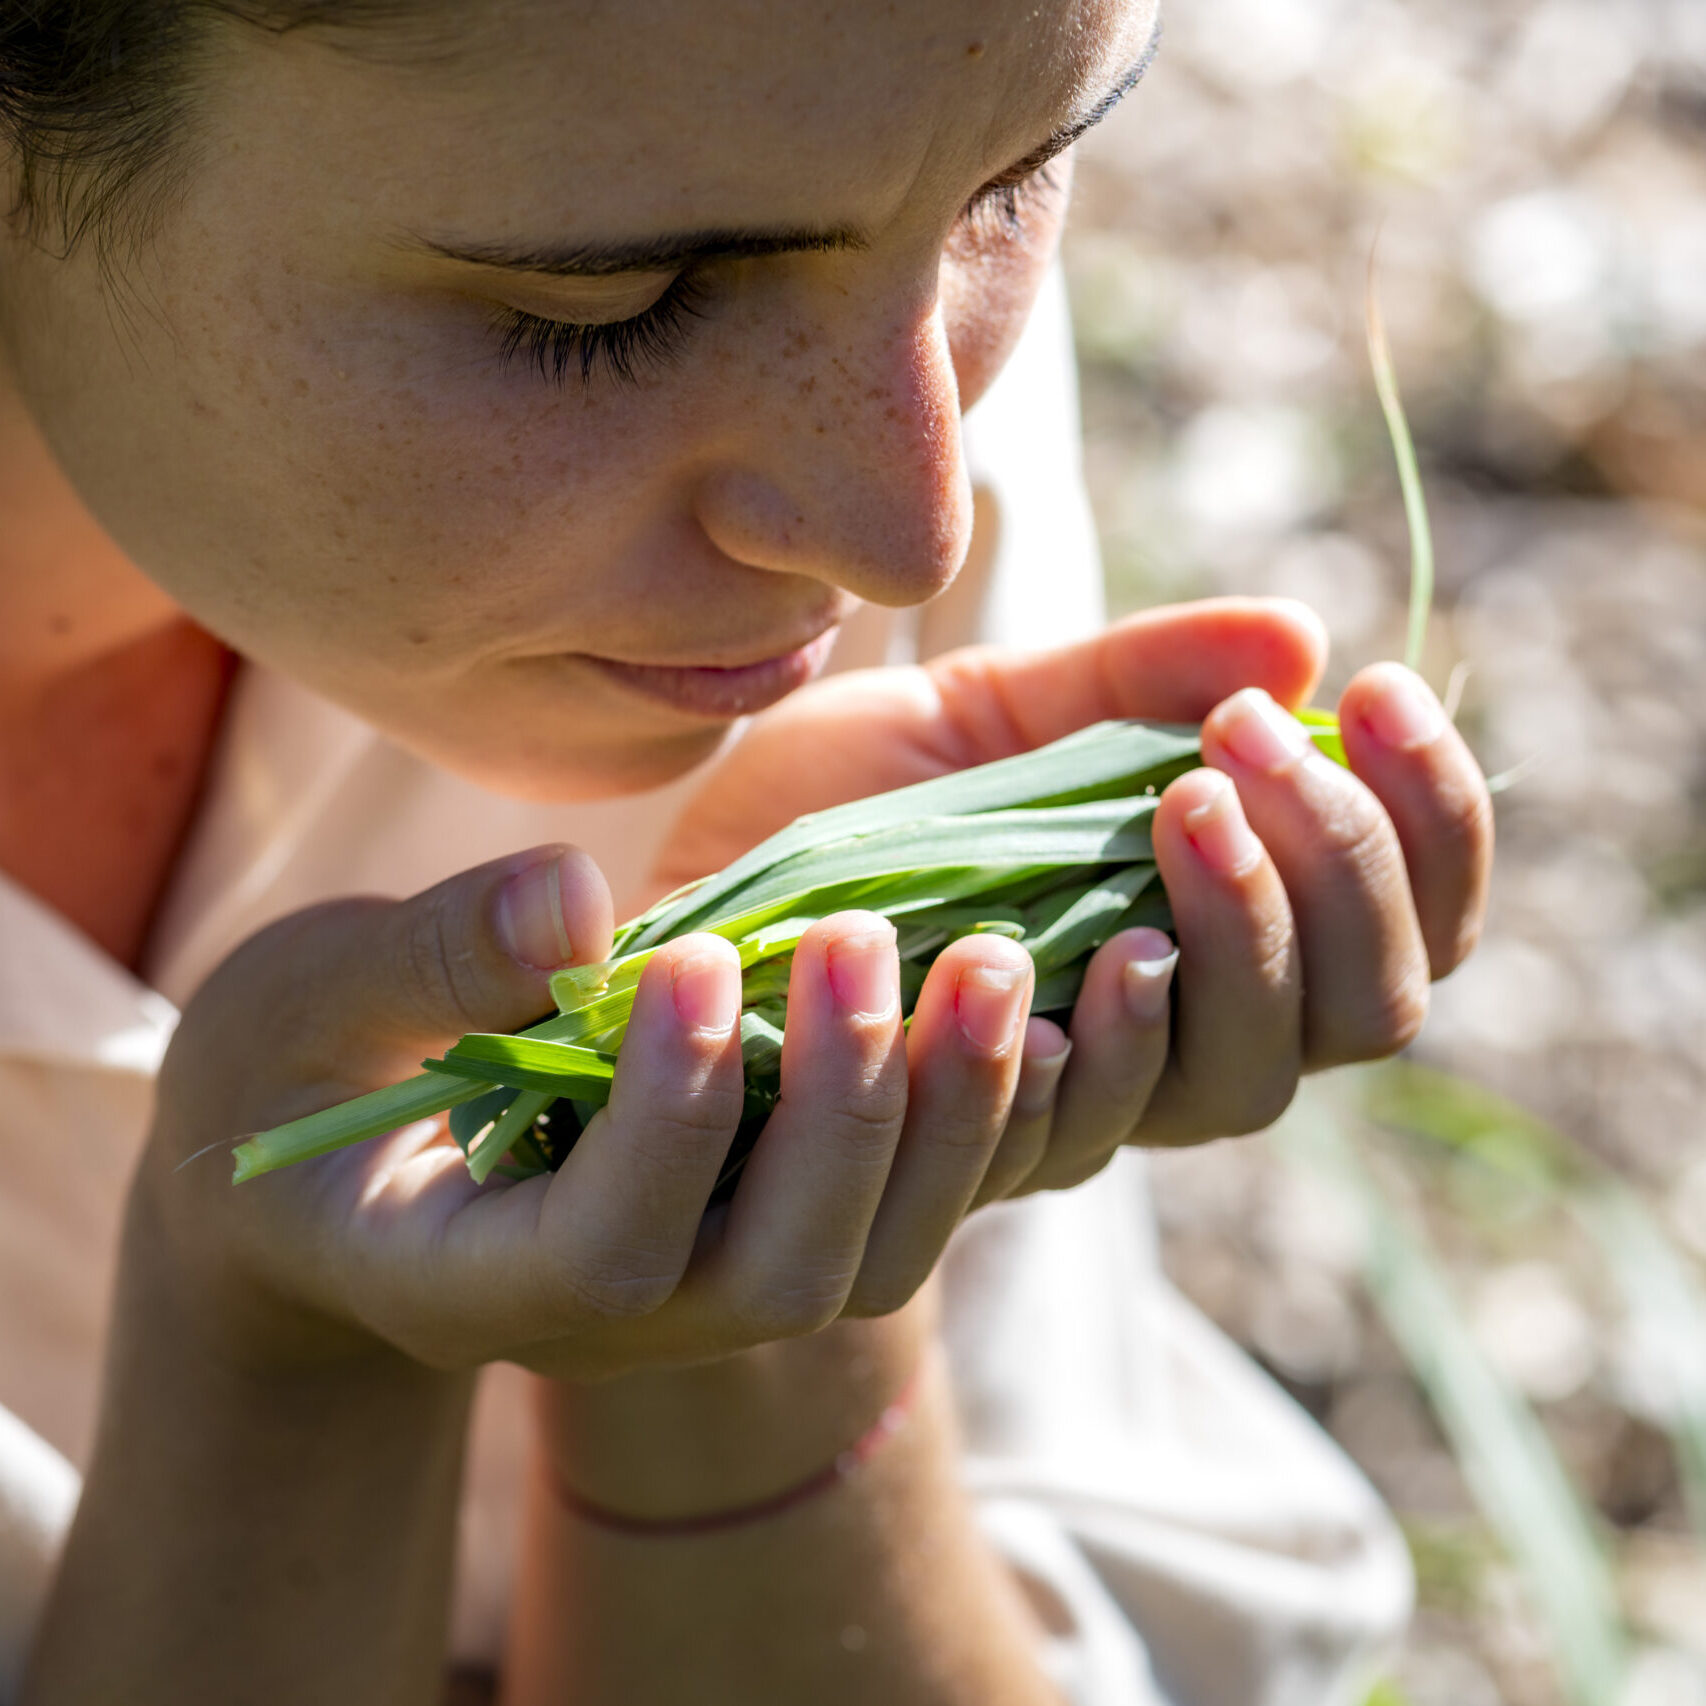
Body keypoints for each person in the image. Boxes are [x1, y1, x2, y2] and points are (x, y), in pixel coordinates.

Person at [0, 2, 1493, 1702]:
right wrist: (280, 1358)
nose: (910, 531)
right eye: (607, 312)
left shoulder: (846, 162)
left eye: (1020, 184)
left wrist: (757, 1257)